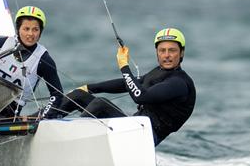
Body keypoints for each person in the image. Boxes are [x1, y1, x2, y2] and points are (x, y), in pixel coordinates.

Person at [61, 27, 195, 145]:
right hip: (130, 127)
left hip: (143, 138)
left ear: (181, 52)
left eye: (172, 50)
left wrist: (124, 66)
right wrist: (90, 88)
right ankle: (41, 120)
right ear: (157, 52)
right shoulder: (158, 73)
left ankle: (70, 142)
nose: (166, 55)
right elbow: (128, 83)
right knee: (78, 95)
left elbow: (140, 96)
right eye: (162, 50)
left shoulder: (179, 83)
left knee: (100, 104)